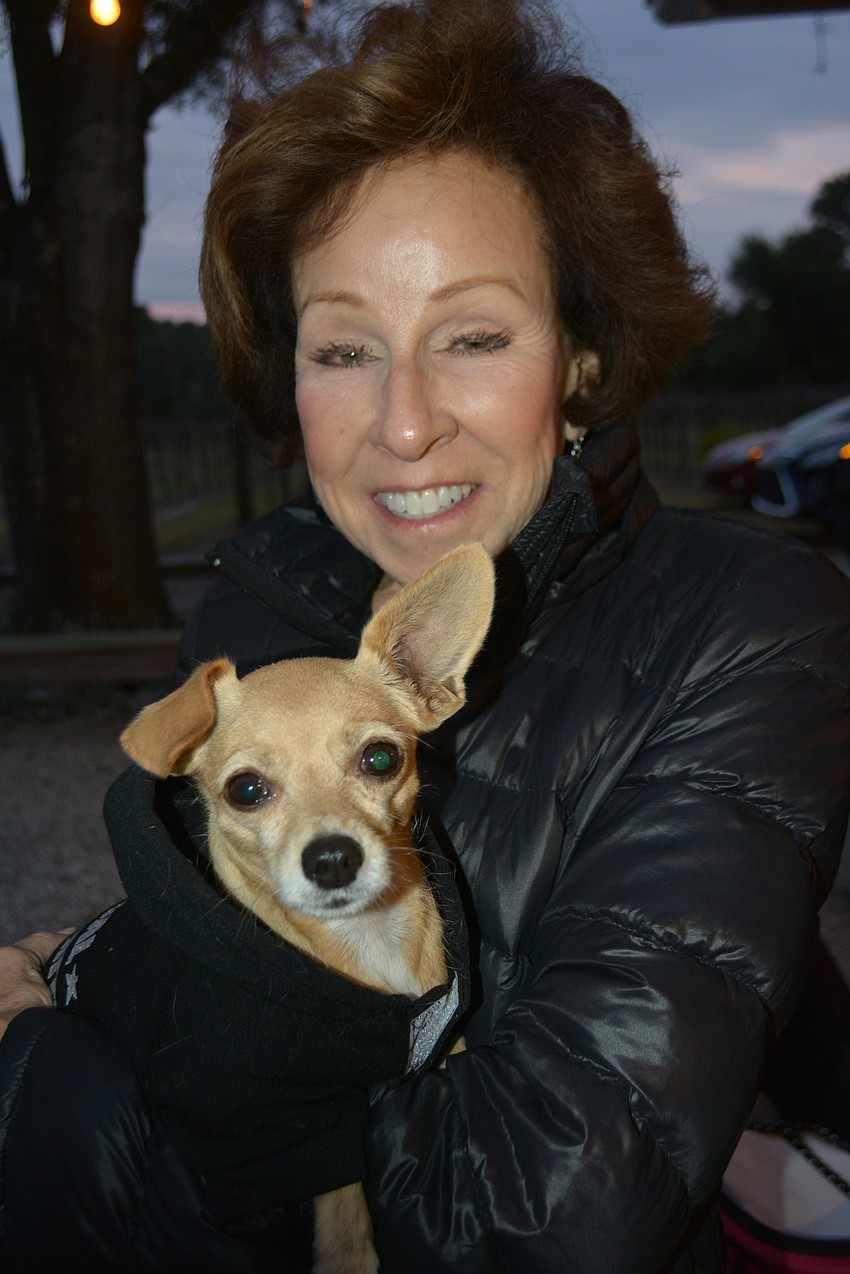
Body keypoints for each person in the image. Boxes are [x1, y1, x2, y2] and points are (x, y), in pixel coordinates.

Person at [2, 1, 849, 1270]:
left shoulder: (745, 626)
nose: (401, 422)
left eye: (472, 335)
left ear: (579, 353)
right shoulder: (259, 608)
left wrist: (40, 1064)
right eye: (343, 346)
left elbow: (548, 1220)